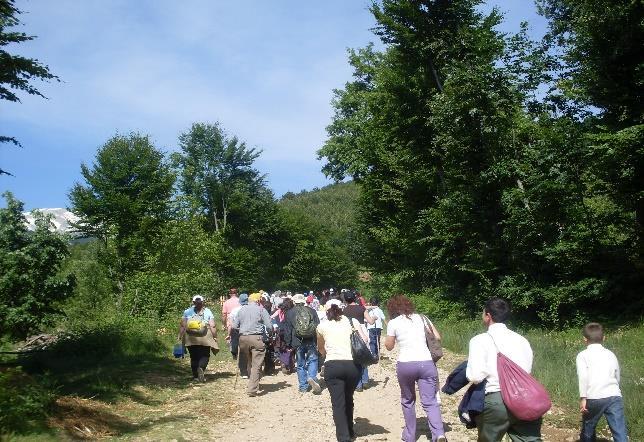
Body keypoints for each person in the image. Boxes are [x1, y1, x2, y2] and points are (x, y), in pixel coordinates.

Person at [466, 297, 541, 441]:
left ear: (488, 316)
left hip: (496, 400)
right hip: (526, 398)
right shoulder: (522, 340)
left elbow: (475, 376)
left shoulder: (479, 340)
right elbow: (527, 369)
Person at [385, 295, 446, 442]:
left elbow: (389, 346)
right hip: (426, 363)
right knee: (430, 401)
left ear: (392, 309)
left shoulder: (393, 323)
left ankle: (410, 435)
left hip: (406, 364)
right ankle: (438, 434)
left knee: (408, 400)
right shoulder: (423, 318)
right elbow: (437, 337)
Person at [317, 303, 367, 442]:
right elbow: (365, 339)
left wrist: (326, 354)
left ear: (326, 312)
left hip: (333, 365)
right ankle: (351, 431)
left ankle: (343, 437)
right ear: (342, 309)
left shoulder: (322, 326)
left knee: (338, 403)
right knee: (348, 398)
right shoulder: (352, 321)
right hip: (352, 365)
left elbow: (320, 348)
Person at [576, 322, 627, 442]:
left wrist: (583, 397)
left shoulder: (583, 355)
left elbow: (583, 377)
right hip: (614, 395)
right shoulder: (611, 354)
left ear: (584, 339)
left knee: (588, 428)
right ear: (604, 338)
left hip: (594, 396)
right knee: (619, 430)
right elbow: (617, 374)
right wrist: (615, 388)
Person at [232, 292, 273, 396]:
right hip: (256, 338)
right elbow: (269, 326)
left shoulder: (241, 310)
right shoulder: (261, 310)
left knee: (250, 361)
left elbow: (234, 326)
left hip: (243, 338)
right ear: (258, 301)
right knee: (257, 364)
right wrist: (270, 334)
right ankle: (252, 389)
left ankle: (253, 381)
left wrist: (242, 330)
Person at [286, 293, 322, 393]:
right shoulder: (312, 311)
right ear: (304, 301)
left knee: (300, 364)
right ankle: (312, 377)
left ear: (294, 301)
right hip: (311, 340)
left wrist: (288, 344)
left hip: (297, 341)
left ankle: (303, 387)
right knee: (313, 360)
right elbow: (318, 326)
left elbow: (288, 330)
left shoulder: (290, 312)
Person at [177, 295, 218, 382]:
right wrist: (214, 336)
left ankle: (195, 376)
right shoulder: (207, 311)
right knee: (205, 354)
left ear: (193, 302)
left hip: (190, 337)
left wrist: (180, 336)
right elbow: (212, 325)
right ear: (203, 302)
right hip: (205, 336)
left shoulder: (187, 311)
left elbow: (183, 325)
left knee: (194, 356)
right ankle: (201, 368)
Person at [342, 290, 375, 391]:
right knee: (363, 356)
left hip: (351, 333)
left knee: (354, 358)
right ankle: (365, 380)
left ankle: (358, 384)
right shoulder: (361, 308)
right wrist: (374, 318)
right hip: (362, 332)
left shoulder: (344, 311)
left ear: (345, 300)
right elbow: (370, 321)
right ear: (355, 298)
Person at [228, 293, 249, 378]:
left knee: (241, 351)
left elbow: (232, 323)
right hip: (248, 331)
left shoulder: (235, 310)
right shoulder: (251, 309)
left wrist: (230, 333)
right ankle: (249, 369)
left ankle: (243, 371)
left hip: (237, 331)